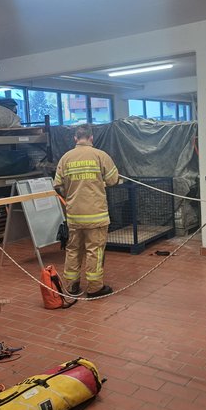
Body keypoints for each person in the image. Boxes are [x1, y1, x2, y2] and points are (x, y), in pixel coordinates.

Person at [54, 124, 119, 298]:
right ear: (91, 138)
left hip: (74, 215)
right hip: (96, 215)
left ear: (75, 138)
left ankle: (71, 286)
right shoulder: (100, 155)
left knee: (73, 249)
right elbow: (113, 180)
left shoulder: (65, 158)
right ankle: (94, 287)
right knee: (94, 250)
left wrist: (71, 195)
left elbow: (58, 185)